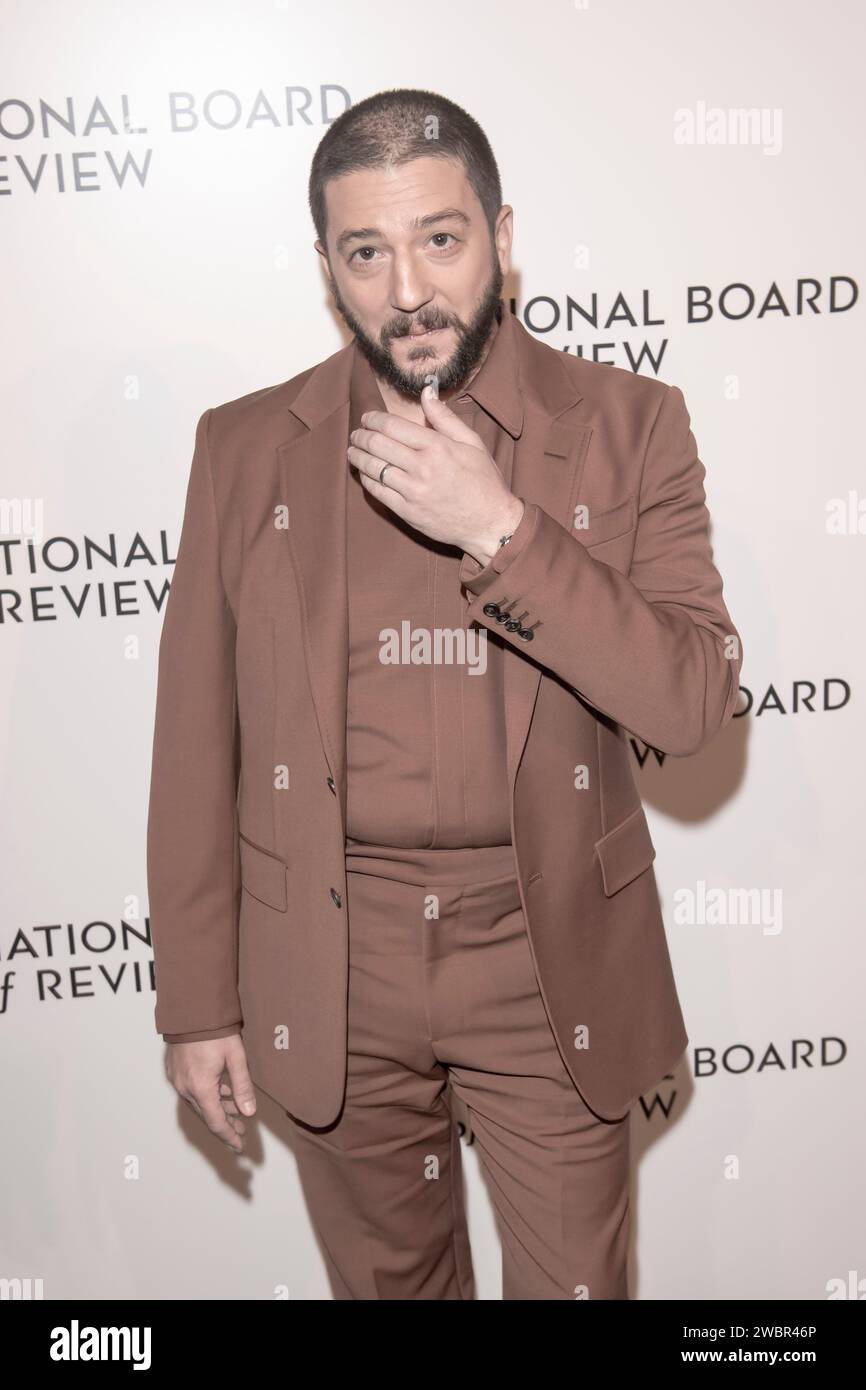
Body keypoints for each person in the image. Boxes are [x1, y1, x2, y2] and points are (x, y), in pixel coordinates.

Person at [146, 87, 743, 1300]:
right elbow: (194, 739)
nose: (406, 290)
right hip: (328, 950)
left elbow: (689, 704)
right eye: (366, 252)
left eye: (439, 239)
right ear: (327, 268)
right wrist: (196, 1002)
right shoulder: (245, 447)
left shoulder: (629, 427)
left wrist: (504, 529)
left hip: (546, 950)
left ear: (502, 236)